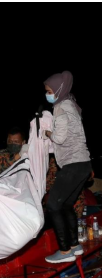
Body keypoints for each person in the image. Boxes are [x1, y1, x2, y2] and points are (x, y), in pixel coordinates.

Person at [41, 71, 91, 263]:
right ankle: (74, 245)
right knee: (67, 204)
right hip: (83, 164)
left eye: (48, 90)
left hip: (72, 164)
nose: (47, 94)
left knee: (53, 205)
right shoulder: (71, 105)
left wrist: (47, 133)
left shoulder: (61, 107)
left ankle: (64, 252)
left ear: (58, 89)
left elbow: (60, 138)